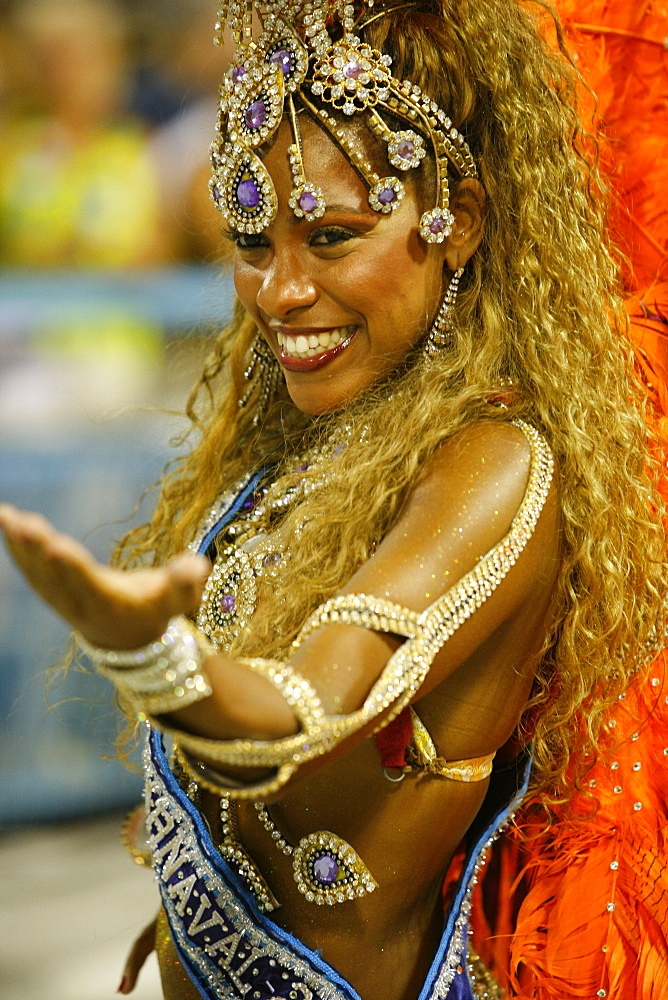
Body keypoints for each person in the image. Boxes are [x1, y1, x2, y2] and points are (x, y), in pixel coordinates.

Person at [1, 2, 667, 999]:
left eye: (330, 236)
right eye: (252, 241)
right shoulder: (323, 437)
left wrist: (162, 664)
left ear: (460, 223)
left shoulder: (495, 460)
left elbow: (314, 702)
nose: (278, 290)